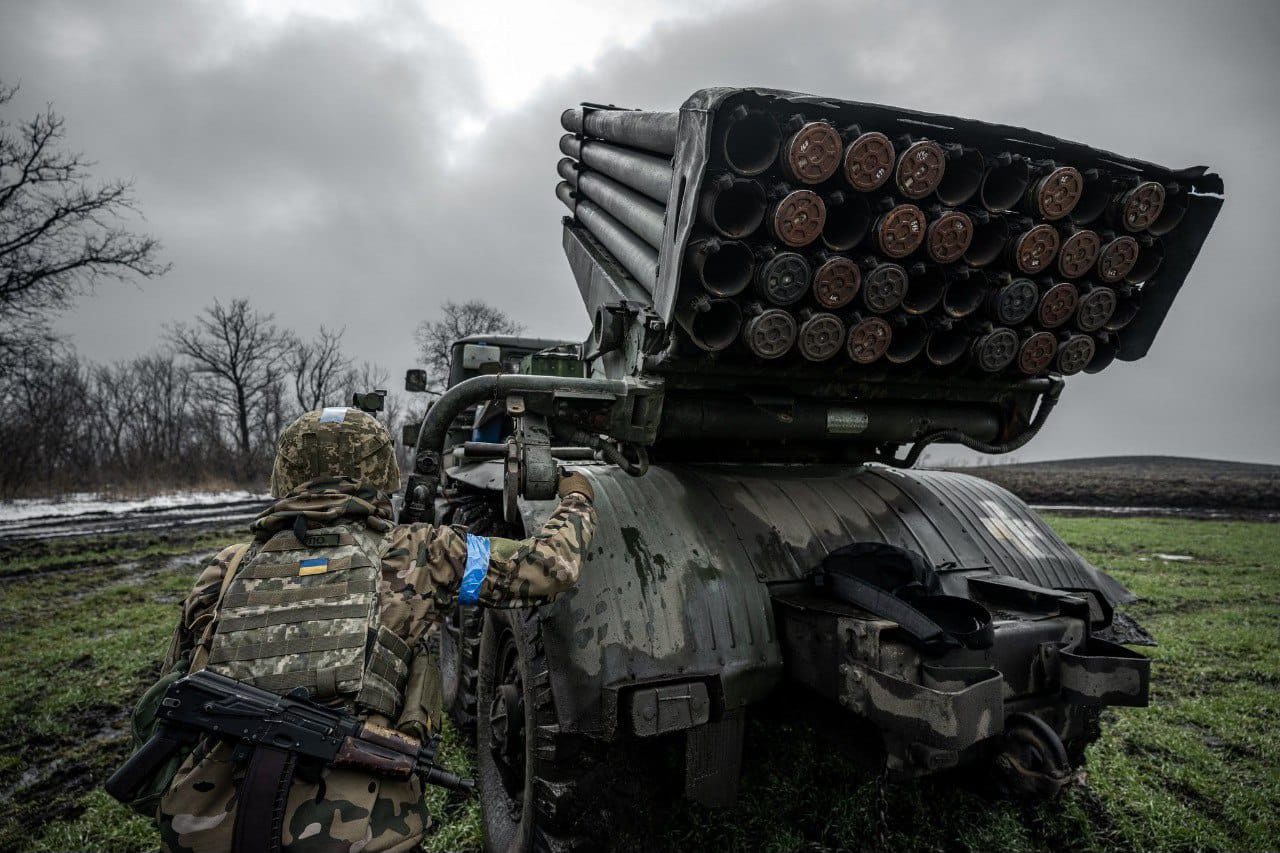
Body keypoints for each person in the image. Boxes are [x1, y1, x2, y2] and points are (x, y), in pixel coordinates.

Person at [150, 406, 596, 853]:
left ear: (284, 474)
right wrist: (576, 497)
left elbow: (168, 700)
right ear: (381, 472)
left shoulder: (225, 569)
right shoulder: (420, 555)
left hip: (205, 832)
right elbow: (550, 566)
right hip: (364, 835)